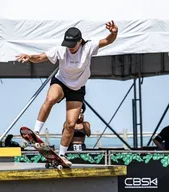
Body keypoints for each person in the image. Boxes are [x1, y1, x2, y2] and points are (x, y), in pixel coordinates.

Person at [16, 21, 118, 166]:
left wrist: (113, 32)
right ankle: (36, 132)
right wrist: (30, 57)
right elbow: (40, 57)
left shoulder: (88, 47)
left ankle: (62, 155)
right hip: (61, 82)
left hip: (77, 88)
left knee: (70, 124)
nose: (69, 48)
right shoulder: (61, 49)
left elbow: (108, 41)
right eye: (67, 45)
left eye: (72, 45)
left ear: (80, 41)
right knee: (50, 99)